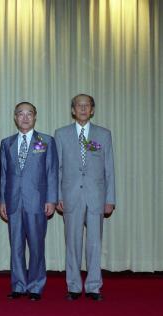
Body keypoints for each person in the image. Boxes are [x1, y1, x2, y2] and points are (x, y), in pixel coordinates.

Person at [55, 94, 115, 301]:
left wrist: (110, 198)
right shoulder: (61, 134)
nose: (82, 108)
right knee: (72, 243)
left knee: (94, 243)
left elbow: (109, 170)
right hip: (70, 196)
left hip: (96, 196)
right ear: (73, 110)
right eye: (78, 105)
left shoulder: (103, 134)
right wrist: (58, 196)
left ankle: (93, 287)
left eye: (86, 105)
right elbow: (58, 168)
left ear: (92, 110)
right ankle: (73, 286)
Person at [0, 102, 58, 301]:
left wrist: (51, 199)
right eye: (20, 114)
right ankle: (18, 285)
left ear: (35, 116)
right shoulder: (6, 143)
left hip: (38, 202)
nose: (25, 118)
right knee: (15, 246)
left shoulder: (47, 141)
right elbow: (4, 176)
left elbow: (51, 173)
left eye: (29, 114)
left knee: (36, 245)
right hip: (13, 202)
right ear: (15, 117)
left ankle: (35, 286)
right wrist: (2, 201)